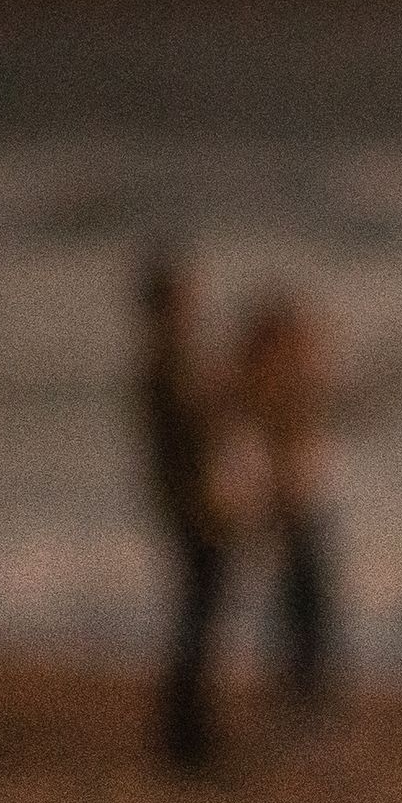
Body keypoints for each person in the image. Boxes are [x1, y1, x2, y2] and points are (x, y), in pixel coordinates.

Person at [133, 245, 237, 774]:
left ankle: (187, 729)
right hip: (194, 506)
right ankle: (187, 735)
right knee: (200, 614)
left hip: (189, 502)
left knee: (199, 612)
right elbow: (194, 432)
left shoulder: (166, 358)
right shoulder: (168, 361)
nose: (196, 304)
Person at [230, 286, 339, 716]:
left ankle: (298, 699)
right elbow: (264, 456)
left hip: (291, 507)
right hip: (284, 509)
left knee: (300, 607)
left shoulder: (277, 386)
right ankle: (299, 702)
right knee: (302, 607)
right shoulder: (269, 389)